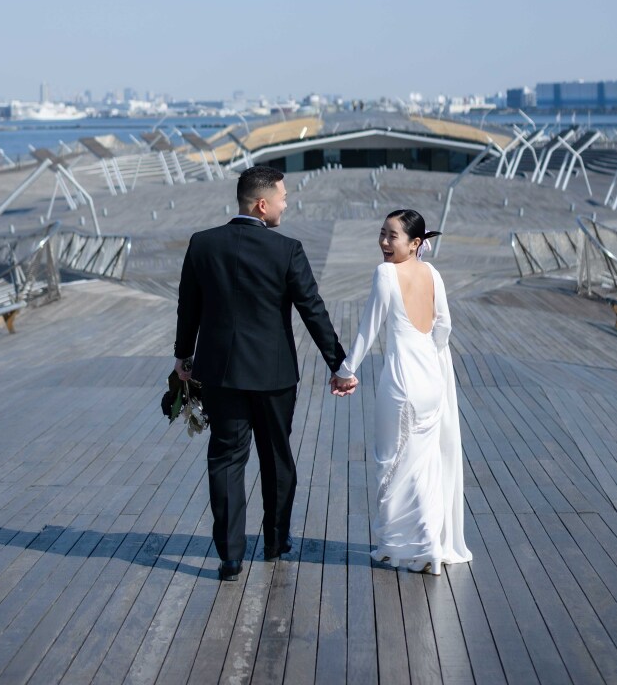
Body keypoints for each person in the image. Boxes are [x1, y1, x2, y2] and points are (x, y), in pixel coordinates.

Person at [173, 165, 352, 582]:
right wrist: (339, 364)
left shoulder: (202, 245)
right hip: (274, 377)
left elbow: (188, 308)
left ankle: (230, 556)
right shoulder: (286, 249)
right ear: (261, 203)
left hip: (220, 373)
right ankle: (274, 542)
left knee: (225, 459)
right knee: (276, 457)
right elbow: (313, 310)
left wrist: (184, 358)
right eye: (283, 197)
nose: (286, 203)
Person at [331, 209, 472, 574]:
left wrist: (345, 372)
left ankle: (420, 548)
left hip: (401, 383)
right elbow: (444, 326)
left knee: (392, 464)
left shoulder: (385, 274)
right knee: (423, 466)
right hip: (431, 382)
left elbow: (367, 330)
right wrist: (428, 352)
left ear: (415, 244)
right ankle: (426, 546)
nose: (383, 242)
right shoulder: (433, 274)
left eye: (392, 236)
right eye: (382, 234)